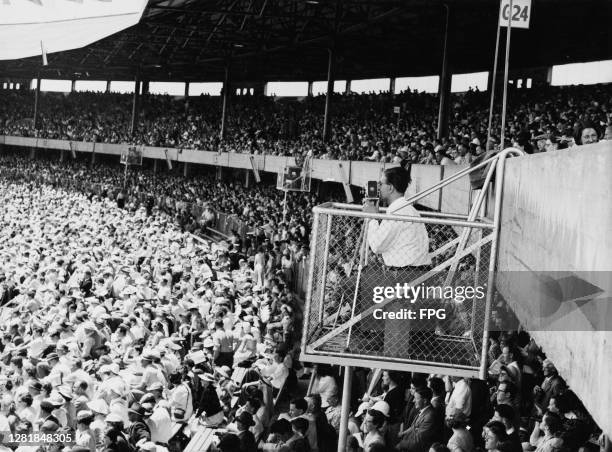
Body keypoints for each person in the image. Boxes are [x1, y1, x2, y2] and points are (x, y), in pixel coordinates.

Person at [396, 388, 439, 452]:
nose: (413, 400)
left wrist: (401, 444)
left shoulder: (430, 416)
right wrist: (403, 433)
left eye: (416, 398)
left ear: (425, 401)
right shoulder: (423, 410)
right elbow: (414, 427)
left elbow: (417, 441)